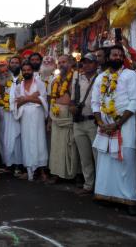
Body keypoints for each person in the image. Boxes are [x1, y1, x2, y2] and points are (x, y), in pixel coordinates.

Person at [91, 45, 136, 215]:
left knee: (126, 159)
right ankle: (106, 195)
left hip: (124, 124)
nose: (117, 57)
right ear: (107, 57)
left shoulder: (130, 75)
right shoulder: (101, 78)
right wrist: (99, 121)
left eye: (120, 55)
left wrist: (118, 123)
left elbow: (134, 101)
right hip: (105, 125)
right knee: (106, 160)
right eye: (114, 54)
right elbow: (95, 102)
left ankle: (130, 199)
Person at [13, 62, 48, 181]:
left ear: (32, 71)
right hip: (25, 116)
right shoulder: (19, 87)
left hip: (37, 115)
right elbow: (17, 103)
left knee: (39, 140)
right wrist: (32, 97)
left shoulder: (40, 84)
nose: (26, 72)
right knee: (26, 142)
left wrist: (26, 98)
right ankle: (29, 170)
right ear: (22, 72)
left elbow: (43, 102)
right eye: (24, 70)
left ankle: (42, 170)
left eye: (28, 70)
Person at [47, 55, 78, 183]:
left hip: (70, 116)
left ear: (71, 63)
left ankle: (74, 174)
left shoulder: (76, 78)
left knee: (72, 146)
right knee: (56, 146)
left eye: (64, 62)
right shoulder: (55, 80)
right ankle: (56, 173)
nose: (61, 64)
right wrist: (49, 120)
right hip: (56, 116)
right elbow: (50, 100)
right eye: (59, 62)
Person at [70, 53, 98, 195]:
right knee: (84, 156)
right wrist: (72, 108)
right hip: (79, 121)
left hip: (94, 122)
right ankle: (88, 184)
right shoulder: (77, 79)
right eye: (84, 63)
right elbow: (72, 99)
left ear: (96, 64)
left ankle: (101, 187)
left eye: (90, 62)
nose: (86, 65)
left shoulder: (100, 78)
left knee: (98, 156)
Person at [0, 60, 21, 172]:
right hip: (0, 112)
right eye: (2, 72)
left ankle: (16, 164)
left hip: (12, 112)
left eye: (6, 71)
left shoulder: (16, 81)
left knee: (14, 137)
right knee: (2, 139)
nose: (4, 73)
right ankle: (6, 163)